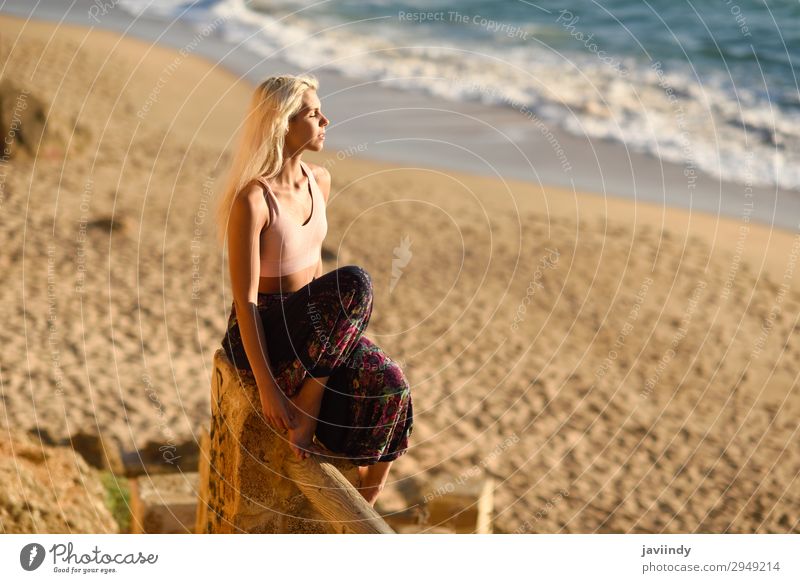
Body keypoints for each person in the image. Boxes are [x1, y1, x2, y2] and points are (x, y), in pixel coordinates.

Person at [214, 74, 413, 506]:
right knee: (356, 281)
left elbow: (318, 278)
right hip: (268, 326)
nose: (326, 119)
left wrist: (340, 342)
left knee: (391, 383)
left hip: (312, 326)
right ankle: (308, 405)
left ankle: (364, 509)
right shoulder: (252, 199)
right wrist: (268, 388)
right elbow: (245, 301)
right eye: (312, 113)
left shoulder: (319, 181)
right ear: (283, 123)